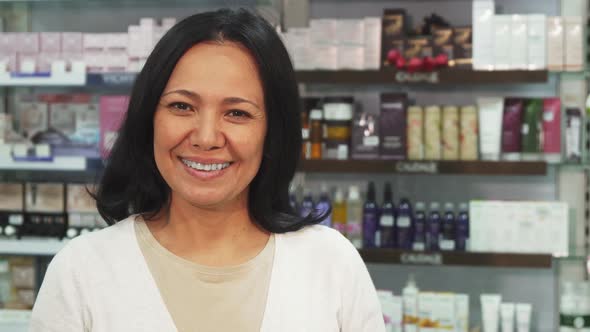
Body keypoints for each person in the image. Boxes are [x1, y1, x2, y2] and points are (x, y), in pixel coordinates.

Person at [30, 8, 385, 332]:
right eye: (182, 106)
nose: (205, 137)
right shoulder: (81, 272)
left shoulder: (331, 265)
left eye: (237, 113)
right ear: (148, 117)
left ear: (272, 131)